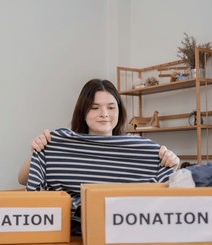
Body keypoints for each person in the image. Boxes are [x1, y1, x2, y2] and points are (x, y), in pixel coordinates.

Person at [18, 79, 179, 234]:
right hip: (69, 230)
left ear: (119, 111)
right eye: (94, 108)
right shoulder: (59, 142)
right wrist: (39, 151)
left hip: (124, 229)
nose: (104, 114)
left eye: (111, 107)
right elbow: (23, 179)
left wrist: (172, 165)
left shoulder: (141, 148)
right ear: (83, 111)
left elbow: (168, 192)